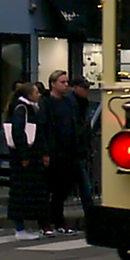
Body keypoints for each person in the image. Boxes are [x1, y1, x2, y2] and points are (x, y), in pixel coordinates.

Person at [6, 82, 50, 240]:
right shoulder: (22, 109)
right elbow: (18, 131)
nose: (39, 95)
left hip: (32, 156)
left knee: (28, 192)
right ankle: (20, 229)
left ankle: (24, 227)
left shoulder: (30, 108)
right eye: (36, 92)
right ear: (29, 94)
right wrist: (24, 155)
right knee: (22, 193)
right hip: (26, 158)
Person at [42, 70, 80, 233]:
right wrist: (46, 152)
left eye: (66, 82)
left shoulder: (68, 102)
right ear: (53, 84)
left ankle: (59, 220)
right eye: (62, 82)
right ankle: (48, 221)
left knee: (64, 187)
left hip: (68, 150)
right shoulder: (47, 103)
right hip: (54, 151)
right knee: (50, 188)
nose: (66, 85)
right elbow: (45, 127)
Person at [69, 77, 96, 211]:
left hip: (79, 149)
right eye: (84, 88)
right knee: (83, 183)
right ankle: (89, 210)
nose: (87, 91)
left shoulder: (81, 103)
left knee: (81, 183)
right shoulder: (74, 103)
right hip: (75, 149)